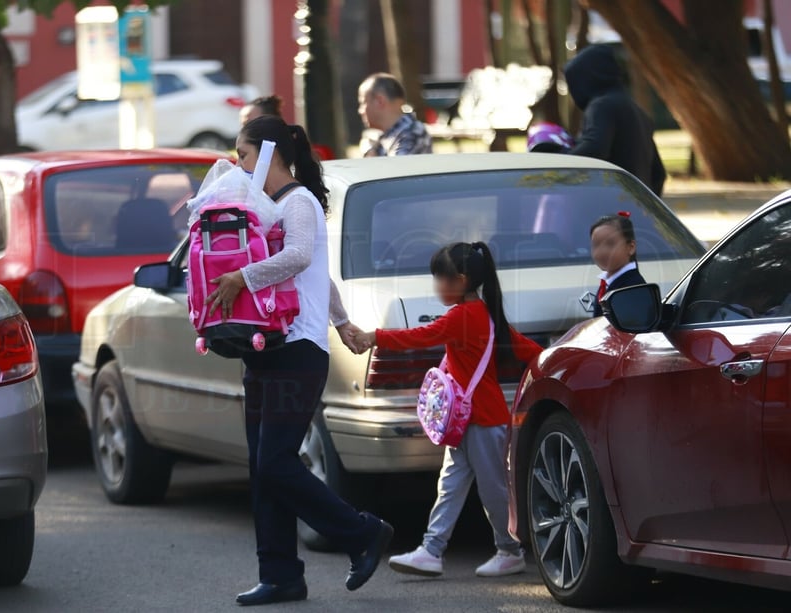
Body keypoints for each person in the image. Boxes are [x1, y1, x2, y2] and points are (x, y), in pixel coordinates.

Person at [207, 115, 394, 607]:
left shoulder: (299, 201)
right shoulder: (269, 207)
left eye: (244, 155)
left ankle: (361, 532)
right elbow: (321, 278)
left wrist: (241, 278)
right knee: (263, 466)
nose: (239, 164)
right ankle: (280, 575)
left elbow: (298, 257)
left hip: (299, 354)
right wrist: (343, 321)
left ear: (268, 154)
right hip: (266, 349)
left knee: (275, 462)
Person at [355, 243, 542, 579]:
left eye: (440, 279)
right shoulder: (484, 312)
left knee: (490, 490)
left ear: (461, 279)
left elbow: (422, 336)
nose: (437, 286)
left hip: (480, 420)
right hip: (473, 419)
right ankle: (432, 550)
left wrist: (375, 337)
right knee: (454, 486)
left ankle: (509, 550)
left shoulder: (462, 316)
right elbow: (524, 348)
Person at [564, 44, 666, 196]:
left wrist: (558, 164)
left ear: (587, 78)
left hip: (611, 204)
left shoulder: (602, 105)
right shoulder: (638, 111)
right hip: (636, 205)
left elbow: (594, 148)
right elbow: (658, 173)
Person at [358, 73, 432, 157]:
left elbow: (394, 169)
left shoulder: (412, 133)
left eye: (363, 103)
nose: (360, 111)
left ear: (379, 101)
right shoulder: (384, 135)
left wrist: (370, 151)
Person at [590, 211, 646, 317]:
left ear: (631, 247)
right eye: (596, 245)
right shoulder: (609, 283)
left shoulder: (632, 288)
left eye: (610, 244)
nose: (602, 251)